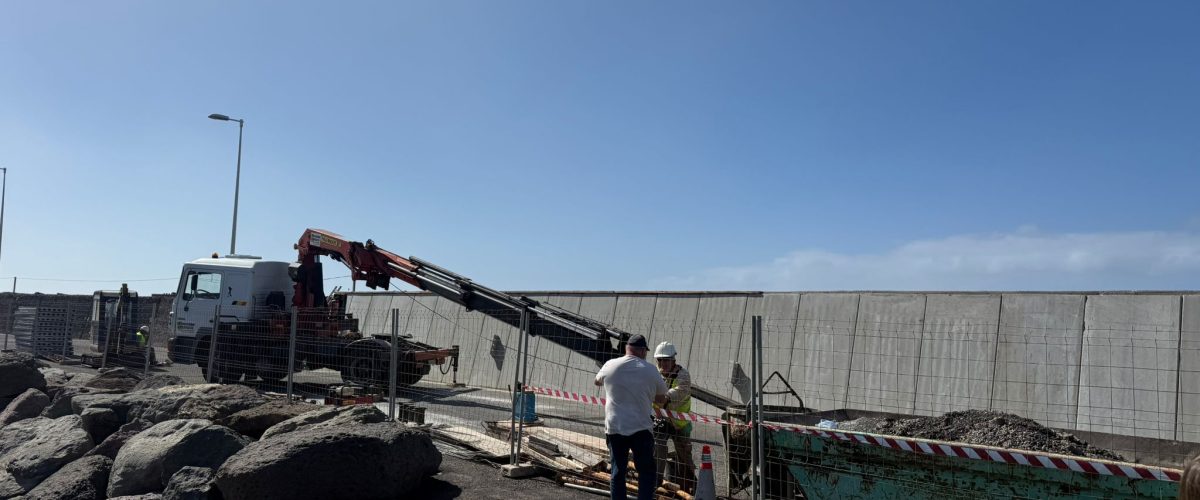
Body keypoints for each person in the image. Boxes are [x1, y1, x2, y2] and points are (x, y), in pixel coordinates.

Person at [595, 334, 669, 500]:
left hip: (615, 428)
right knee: (646, 472)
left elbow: (597, 381)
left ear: (626, 349)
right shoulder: (650, 370)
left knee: (617, 472)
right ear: (643, 351)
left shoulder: (610, 365)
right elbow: (662, 398)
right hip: (641, 428)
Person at [652, 341, 696, 493]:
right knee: (658, 450)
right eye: (660, 360)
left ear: (673, 360)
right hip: (662, 420)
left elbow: (680, 390)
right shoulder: (654, 374)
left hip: (679, 424)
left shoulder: (683, 375)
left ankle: (690, 487)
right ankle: (655, 483)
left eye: (666, 360)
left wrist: (666, 396)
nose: (663, 363)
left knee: (684, 457)